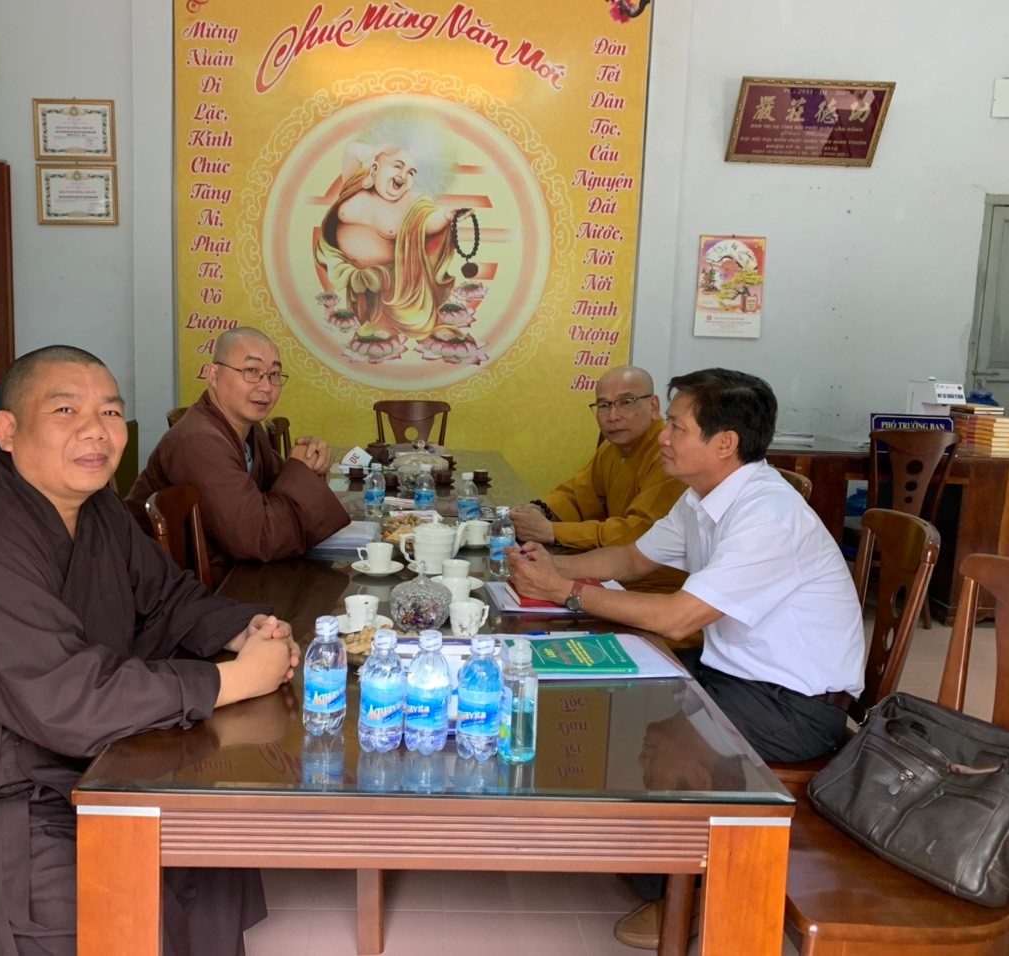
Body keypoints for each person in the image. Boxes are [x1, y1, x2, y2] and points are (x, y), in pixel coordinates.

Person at [0, 345, 299, 956]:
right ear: (7, 430)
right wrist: (230, 682)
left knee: (207, 842)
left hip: (72, 765)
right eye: (65, 410)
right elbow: (67, 700)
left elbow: (169, 598)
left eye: (109, 413)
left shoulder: (98, 508)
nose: (93, 432)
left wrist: (247, 631)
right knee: (119, 899)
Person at [506, 367, 864, 949]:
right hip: (734, 675)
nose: (663, 437)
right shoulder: (702, 499)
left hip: (792, 706)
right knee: (603, 678)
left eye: (675, 425)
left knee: (659, 731)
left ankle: (685, 894)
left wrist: (564, 591)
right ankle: (645, 850)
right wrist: (542, 564)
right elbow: (629, 561)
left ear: (725, 443)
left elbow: (677, 617)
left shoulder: (765, 516)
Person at [125, 328, 349, 578]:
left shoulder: (251, 430)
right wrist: (300, 470)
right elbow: (258, 538)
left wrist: (310, 465)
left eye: (274, 374)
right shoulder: (199, 440)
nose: (266, 387)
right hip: (177, 589)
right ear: (214, 374)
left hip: (233, 570)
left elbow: (278, 491)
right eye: (251, 371)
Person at [508, 366, 686, 595]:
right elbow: (577, 494)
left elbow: (637, 536)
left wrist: (553, 531)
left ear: (654, 406)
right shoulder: (611, 449)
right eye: (604, 405)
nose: (613, 416)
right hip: (610, 574)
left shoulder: (669, 457)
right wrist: (540, 511)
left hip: (656, 587)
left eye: (626, 402)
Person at [316, 139, 468, 358]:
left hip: (391, 285)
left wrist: (447, 215)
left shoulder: (411, 202)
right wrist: (374, 151)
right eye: (397, 166)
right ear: (375, 169)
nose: (404, 175)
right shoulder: (355, 184)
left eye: (411, 172)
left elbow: (426, 223)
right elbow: (351, 150)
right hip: (350, 278)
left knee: (389, 329)